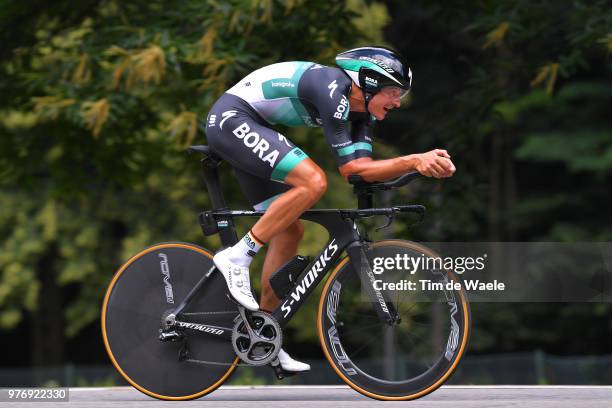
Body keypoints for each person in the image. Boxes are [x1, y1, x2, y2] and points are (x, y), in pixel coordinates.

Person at [204, 46, 455, 372]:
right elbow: (349, 171)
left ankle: (263, 334)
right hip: (232, 117)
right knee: (313, 182)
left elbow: (361, 168)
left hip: (254, 125)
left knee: (289, 229)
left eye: (401, 95)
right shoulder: (331, 89)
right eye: (393, 92)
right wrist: (413, 160)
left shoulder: (363, 113)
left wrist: (415, 169)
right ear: (367, 82)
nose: (397, 102)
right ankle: (238, 256)